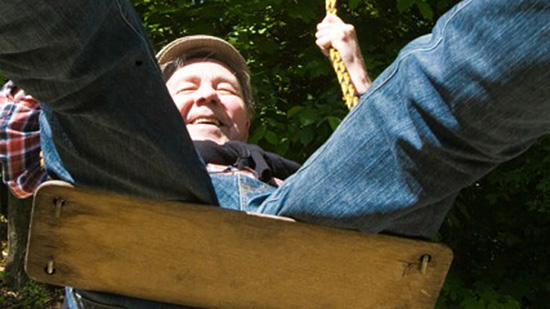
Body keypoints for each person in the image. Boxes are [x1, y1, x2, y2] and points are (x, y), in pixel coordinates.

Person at [1, 0, 549, 307]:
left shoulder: (291, 176)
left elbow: (389, 138)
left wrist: (354, 65)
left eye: (226, 87)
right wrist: (40, 96)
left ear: (247, 115)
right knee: (88, 56)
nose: (209, 93)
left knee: (441, 107)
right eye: (187, 85)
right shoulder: (112, 137)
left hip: (302, 230)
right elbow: (25, 149)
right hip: (141, 223)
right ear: (153, 103)